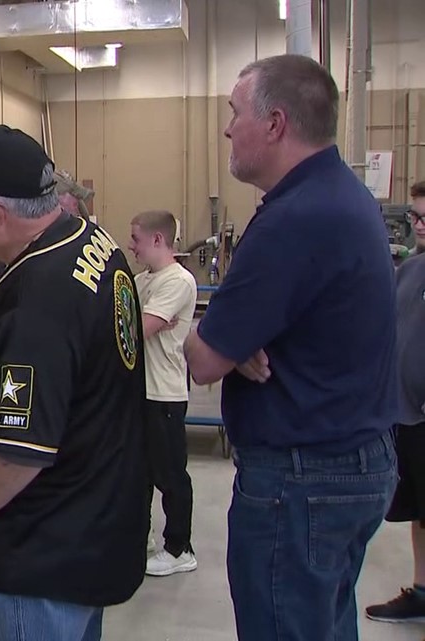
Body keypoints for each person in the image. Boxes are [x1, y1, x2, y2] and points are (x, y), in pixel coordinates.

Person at [183, 54, 398, 641]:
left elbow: (203, 359)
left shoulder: (293, 219)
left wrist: (220, 337)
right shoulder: (340, 197)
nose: (228, 129)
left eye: (234, 113)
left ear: (274, 124)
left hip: (303, 480)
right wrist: (241, 338)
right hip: (349, 463)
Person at [0, 124, 149, 641]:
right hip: (94, 524)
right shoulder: (89, 239)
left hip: (44, 557)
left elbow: (21, 448)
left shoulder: (39, 305)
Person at [365, 180, 425, 625]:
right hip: (406, 417)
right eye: (416, 218)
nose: (418, 227)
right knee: (419, 513)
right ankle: (422, 590)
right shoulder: (411, 271)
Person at [127, 210, 198, 577]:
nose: (131, 246)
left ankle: (179, 547)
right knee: (138, 472)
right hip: (140, 394)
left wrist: (135, 322)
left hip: (164, 395)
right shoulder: (141, 281)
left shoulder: (179, 281)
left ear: (157, 240)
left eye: (136, 239)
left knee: (170, 475)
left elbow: (137, 330)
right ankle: (142, 538)